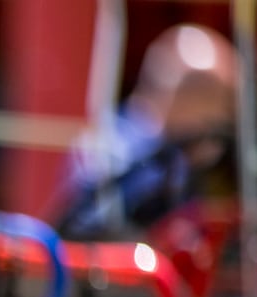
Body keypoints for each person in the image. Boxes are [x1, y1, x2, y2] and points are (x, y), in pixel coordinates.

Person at [55, 23, 238, 239]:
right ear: (179, 93)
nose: (225, 117)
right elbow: (94, 227)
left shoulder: (182, 155)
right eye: (218, 99)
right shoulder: (110, 147)